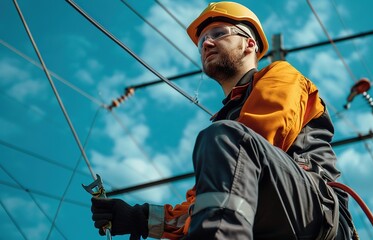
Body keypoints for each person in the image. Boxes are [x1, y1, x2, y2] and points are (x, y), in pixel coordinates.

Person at [91, 2, 355, 239]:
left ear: (249, 43)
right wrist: (141, 218)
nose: (206, 43)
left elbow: (261, 135)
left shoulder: (280, 76)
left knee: (225, 137)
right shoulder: (226, 128)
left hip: (318, 216)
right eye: (202, 40)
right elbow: (213, 204)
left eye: (218, 34)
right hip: (275, 219)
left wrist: (225, 139)